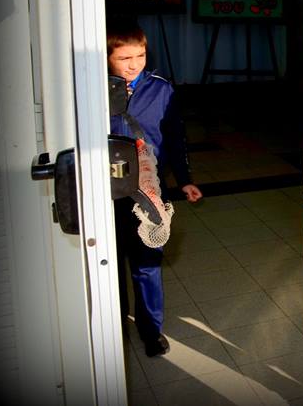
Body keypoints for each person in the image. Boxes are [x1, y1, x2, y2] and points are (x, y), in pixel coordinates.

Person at [107, 18, 203, 357]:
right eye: (124, 58)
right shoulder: (92, 90)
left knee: (147, 263)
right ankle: (113, 326)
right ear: (108, 57)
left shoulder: (161, 89)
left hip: (148, 190)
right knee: (109, 262)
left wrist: (185, 178)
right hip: (106, 191)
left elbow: (175, 137)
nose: (134, 65)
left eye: (140, 55)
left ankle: (151, 331)